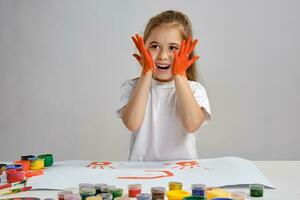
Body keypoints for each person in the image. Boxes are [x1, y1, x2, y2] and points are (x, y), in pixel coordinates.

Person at [117, 10, 211, 161]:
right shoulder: (133, 87)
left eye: (173, 48)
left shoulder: (194, 90)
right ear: (142, 48)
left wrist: (180, 75)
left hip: (183, 174)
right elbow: (132, 124)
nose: (162, 56)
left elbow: (191, 125)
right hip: (140, 172)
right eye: (154, 46)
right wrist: (146, 72)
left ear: (187, 52)